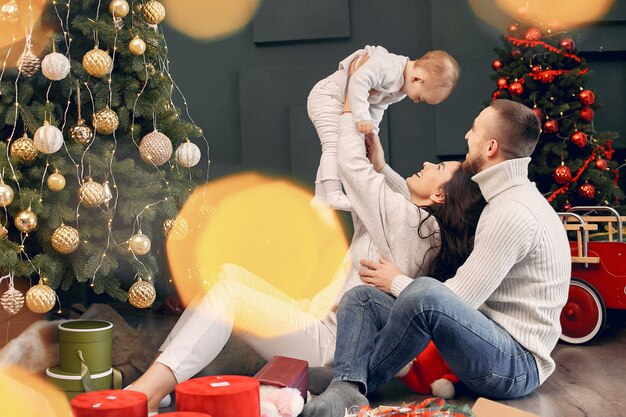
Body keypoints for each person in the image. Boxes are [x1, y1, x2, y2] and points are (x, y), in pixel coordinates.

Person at [128, 99, 482, 415]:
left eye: (438, 168)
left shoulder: (412, 223)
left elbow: (351, 167)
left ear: (439, 195)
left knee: (232, 295)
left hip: (332, 349)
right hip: (320, 323)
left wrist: (349, 106)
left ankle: (149, 392)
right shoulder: (412, 224)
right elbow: (381, 187)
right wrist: (380, 161)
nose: (426, 163)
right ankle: (158, 383)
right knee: (230, 275)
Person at [303, 99, 572, 417]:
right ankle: (346, 381)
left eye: (473, 130)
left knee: (425, 292)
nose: (465, 137)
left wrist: (396, 281)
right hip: (488, 339)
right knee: (362, 298)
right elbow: (434, 199)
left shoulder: (511, 212)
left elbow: (457, 299)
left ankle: (348, 384)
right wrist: (382, 167)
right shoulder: (503, 198)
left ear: (490, 148)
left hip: (515, 366)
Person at [308, 46, 460, 211]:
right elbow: (358, 81)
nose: (416, 101)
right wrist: (361, 117)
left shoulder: (400, 90)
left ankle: (320, 197)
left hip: (338, 100)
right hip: (328, 96)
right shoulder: (391, 67)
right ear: (417, 79)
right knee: (332, 146)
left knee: (335, 146)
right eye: (420, 98)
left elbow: (378, 106)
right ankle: (332, 194)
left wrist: (371, 131)